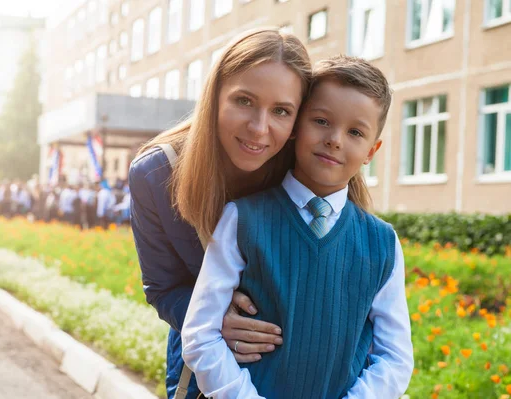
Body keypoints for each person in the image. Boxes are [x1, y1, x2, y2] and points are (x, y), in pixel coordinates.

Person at [181, 56, 414, 398]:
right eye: (321, 121)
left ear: (371, 151)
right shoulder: (242, 219)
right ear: (295, 128)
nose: (335, 139)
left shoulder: (382, 243)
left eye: (355, 132)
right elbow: (201, 335)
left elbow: (395, 358)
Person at [129, 28, 314, 398]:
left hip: (297, 372)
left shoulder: (304, 168)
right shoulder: (156, 173)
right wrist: (214, 320)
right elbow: (162, 287)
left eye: (281, 111)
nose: (259, 129)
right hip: (202, 374)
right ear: (214, 97)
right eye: (244, 101)